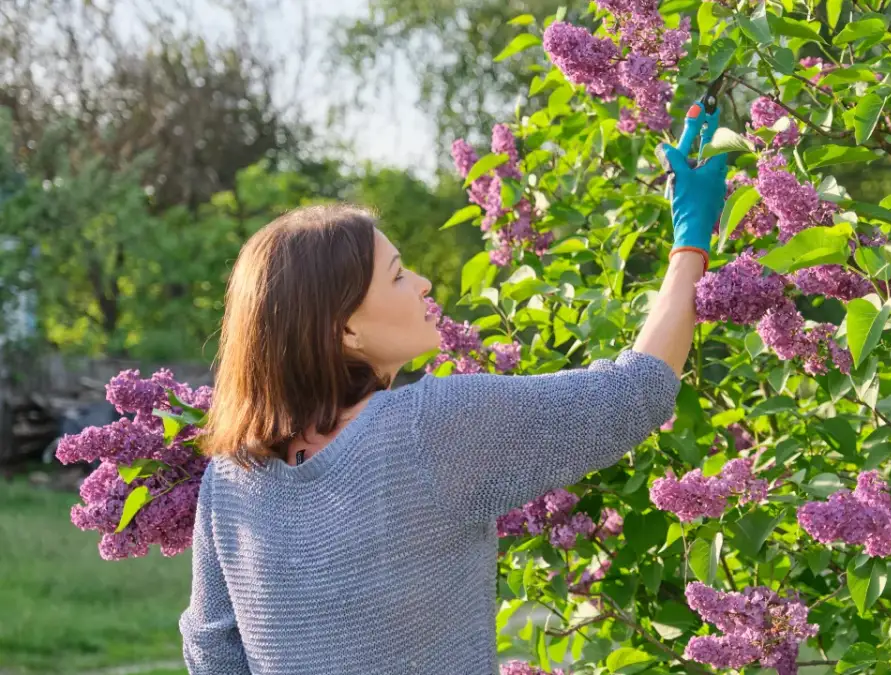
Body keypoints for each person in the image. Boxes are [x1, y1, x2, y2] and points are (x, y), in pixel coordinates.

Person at [178, 99, 728, 674]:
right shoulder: (429, 428)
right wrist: (690, 241)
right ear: (345, 327)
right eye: (396, 275)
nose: (423, 282)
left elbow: (211, 649)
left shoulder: (231, 478)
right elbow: (634, 393)